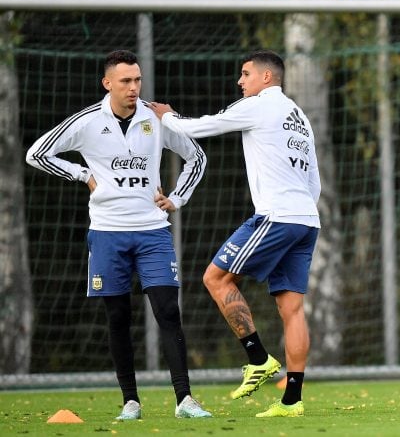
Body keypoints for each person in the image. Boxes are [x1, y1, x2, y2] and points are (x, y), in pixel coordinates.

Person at [26, 50, 211, 420]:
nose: (133, 87)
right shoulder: (87, 122)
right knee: (117, 317)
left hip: (153, 231)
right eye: (125, 81)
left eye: (137, 80)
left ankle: (185, 400)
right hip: (108, 233)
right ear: (107, 83)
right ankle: (131, 401)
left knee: (167, 311)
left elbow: (197, 157)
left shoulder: (157, 117)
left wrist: (176, 199)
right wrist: (83, 175)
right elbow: (37, 153)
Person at [148, 49, 320, 418]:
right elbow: (314, 180)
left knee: (215, 277)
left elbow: (201, 127)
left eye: (245, 74)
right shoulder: (299, 116)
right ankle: (292, 401)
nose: (240, 81)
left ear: (266, 78)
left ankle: (257, 358)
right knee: (292, 309)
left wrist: (168, 117)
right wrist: (300, 210)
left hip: (277, 216)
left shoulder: (260, 105)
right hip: (306, 218)